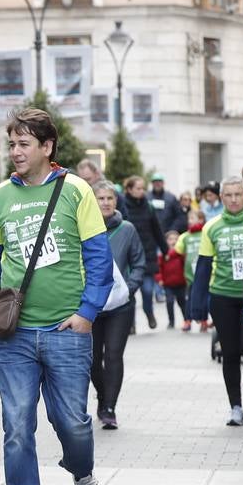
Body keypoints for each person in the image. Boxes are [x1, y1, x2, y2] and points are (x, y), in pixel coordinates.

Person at [0, 109, 113, 485]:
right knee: (16, 423)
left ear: (47, 147)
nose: (15, 152)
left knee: (71, 421)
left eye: (23, 144)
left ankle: (84, 475)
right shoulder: (0, 196)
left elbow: (98, 257)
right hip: (14, 335)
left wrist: (87, 313)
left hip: (65, 331)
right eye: (11, 144)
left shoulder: (75, 191)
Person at [188, 177, 243, 426]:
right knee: (230, 352)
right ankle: (235, 407)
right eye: (228, 195)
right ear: (221, 199)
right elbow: (203, 267)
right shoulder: (212, 227)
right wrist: (196, 305)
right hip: (222, 296)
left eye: (238, 194)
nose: (233, 199)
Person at [91, 183, 144, 430]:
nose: (105, 202)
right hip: (91, 305)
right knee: (92, 360)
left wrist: (128, 290)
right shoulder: (85, 228)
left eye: (109, 198)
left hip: (120, 308)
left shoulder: (127, 229)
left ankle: (110, 407)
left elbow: (139, 263)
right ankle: (102, 396)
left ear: (116, 200)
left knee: (113, 356)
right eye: (100, 198)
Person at [122, 175, 168, 329]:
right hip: (128, 256)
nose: (142, 191)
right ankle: (131, 325)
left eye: (143, 188)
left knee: (148, 291)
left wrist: (165, 250)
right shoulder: (123, 206)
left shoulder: (148, 206)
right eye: (138, 188)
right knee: (129, 294)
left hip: (147, 255)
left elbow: (157, 230)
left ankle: (149, 312)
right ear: (129, 189)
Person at [174, 210, 208, 331]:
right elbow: (178, 251)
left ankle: (204, 320)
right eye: (189, 219)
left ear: (201, 220)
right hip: (190, 275)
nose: (190, 221)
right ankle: (187, 320)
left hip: (204, 274)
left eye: (193, 218)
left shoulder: (206, 233)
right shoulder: (185, 236)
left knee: (204, 299)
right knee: (190, 299)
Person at [161, 231, 188, 329]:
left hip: (181, 283)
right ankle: (171, 321)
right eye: (170, 239)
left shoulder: (182, 254)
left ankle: (186, 319)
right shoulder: (163, 254)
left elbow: (186, 266)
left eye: (176, 239)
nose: (173, 242)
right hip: (168, 284)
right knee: (169, 302)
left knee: (182, 302)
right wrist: (160, 279)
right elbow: (159, 268)